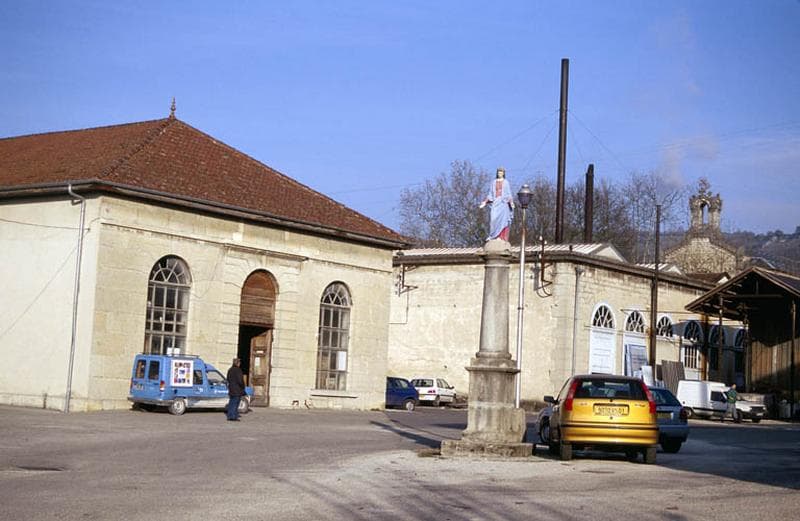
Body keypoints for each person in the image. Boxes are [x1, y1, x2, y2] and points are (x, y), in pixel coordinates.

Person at [479, 167, 514, 242]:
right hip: (496, 203)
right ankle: (493, 236)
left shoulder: (506, 182)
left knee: (503, 221)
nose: (499, 173)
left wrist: (511, 202)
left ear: (503, 173)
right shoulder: (493, 182)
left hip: (503, 203)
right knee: (493, 219)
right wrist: (485, 202)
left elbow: (508, 194)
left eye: (501, 172)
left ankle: (501, 237)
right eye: (498, 172)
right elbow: (490, 194)